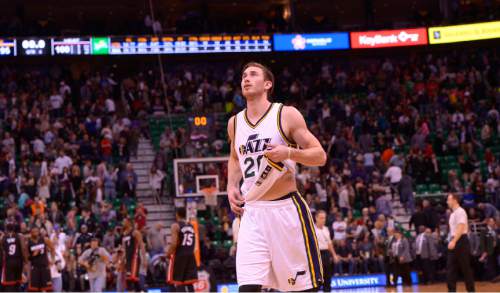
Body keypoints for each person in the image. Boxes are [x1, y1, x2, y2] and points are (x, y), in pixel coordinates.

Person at [227, 62, 326, 291]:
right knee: (248, 288)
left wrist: (289, 152)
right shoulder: (234, 123)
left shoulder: (286, 114)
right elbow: (234, 156)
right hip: (251, 213)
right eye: (243, 75)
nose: (246, 79)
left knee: (301, 289)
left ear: (267, 84)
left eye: (253, 74)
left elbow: (320, 155)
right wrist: (231, 185)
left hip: (285, 210)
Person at [446, 193, 475, 292]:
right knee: (450, 269)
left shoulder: (460, 211)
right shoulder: (452, 214)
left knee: (465, 269)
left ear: (455, 200)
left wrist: (454, 241)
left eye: (449, 199)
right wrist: (451, 240)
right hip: (454, 240)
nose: (447, 202)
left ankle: (471, 291)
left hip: (461, 240)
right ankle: (451, 290)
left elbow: (461, 226)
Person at [165, 208, 198, 292]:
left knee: (177, 281)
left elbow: (174, 244)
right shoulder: (191, 226)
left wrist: (168, 254)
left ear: (177, 214)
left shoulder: (175, 225)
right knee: (189, 282)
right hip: (190, 255)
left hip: (180, 255)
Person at [1, 221, 29, 291]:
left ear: (6, 229)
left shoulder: (2, 238)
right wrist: (26, 261)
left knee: (10, 284)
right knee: (17, 283)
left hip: (8, 262)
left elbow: (2, 251)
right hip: (18, 261)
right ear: (14, 229)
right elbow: (23, 248)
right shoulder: (19, 236)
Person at [314, 210, 338, 292]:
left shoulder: (326, 229)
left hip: (326, 254)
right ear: (316, 218)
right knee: (317, 276)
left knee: (327, 276)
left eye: (324, 218)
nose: (323, 220)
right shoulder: (312, 229)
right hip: (316, 254)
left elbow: (329, 243)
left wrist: (334, 255)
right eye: (321, 218)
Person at [27, 226, 55, 292]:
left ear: (39, 232)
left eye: (36, 231)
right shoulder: (28, 243)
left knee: (48, 289)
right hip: (35, 268)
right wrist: (33, 255)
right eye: (33, 232)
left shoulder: (44, 239)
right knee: (34, 290)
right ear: (31, 233)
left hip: (44, 267)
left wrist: (53, 260)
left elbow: (52, 249)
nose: (35, 233)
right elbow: (27, 257)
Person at [122, 218, 144, 291]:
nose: (123, 223)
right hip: (128, 260)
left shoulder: (135, 232)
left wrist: (144, 259)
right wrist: (121, 260)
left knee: (131, 279)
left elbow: (142, 245)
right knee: (132, 280)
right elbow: (124, 249)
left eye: (124, 221)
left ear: (129, 223)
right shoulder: (124, 234)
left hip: (135, 258)